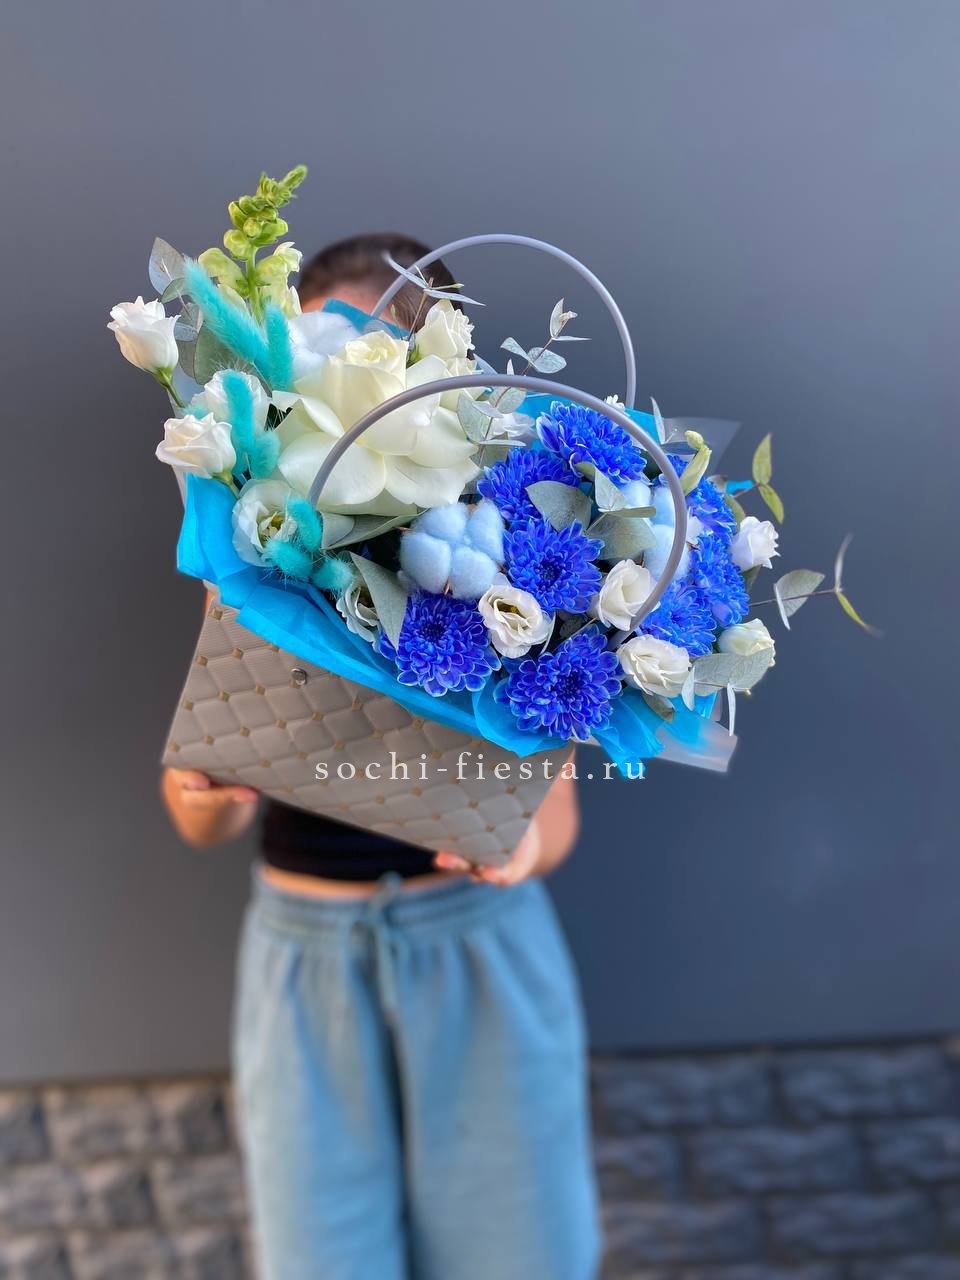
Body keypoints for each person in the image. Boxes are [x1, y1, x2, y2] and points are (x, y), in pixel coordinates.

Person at [161, 232, 600, 1280]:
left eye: (376, 351)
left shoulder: (509, 558)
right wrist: (205, 786)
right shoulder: (254, 547)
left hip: (477, 949)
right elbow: (201, 811)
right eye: (318, 354)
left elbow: (556, 821)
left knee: (518, 1253)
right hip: (304, 957)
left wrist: (517, 853)